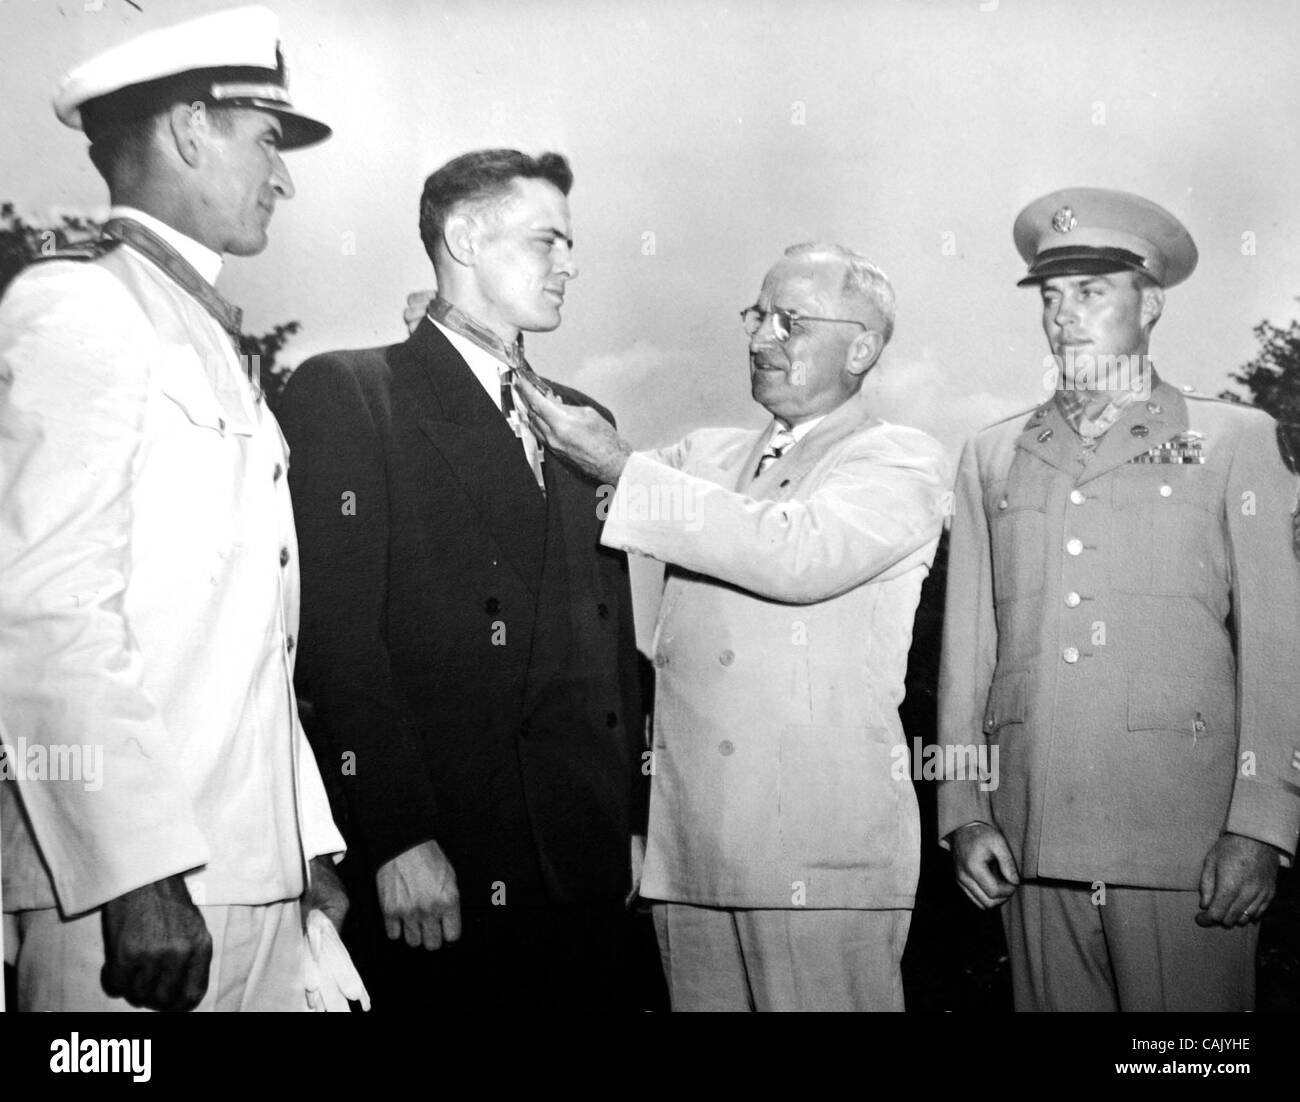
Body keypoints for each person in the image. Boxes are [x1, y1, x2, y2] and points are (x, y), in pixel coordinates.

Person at [0, 5, 346, 1013]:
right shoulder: (78, 307)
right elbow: (45, 608)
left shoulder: (194, 330)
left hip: (250, 881)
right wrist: (134, 872)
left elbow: (251, 642)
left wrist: (304, 840)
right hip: (129, 906)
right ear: (192, 131)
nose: (282, 176)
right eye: (268, 140)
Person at [518, 242, 949, 1011]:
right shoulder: (704, 457)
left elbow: (795, 553)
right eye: (756, 316)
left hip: (821, 862)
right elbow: (561, 481)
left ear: (863, 346)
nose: (759, 339)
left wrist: (623, 468)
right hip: (692, 853)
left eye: (790, 321)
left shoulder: (898, 462)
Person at [276, 149, 646, 1011]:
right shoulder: (355, 393)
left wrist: (629, 818)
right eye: (547, 240)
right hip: (448, 867)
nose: (571, 264)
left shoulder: (588, 422)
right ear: (465, 238)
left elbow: (607, 647)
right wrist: (397, 836)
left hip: (586, 867)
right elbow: (336, 647)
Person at [937, 187, 1300, 1011]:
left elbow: (1280, 651)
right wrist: (965, 810)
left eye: (1092, 292)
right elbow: (968, 658)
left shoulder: (1235, 441)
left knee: (1188, 1069)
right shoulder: (993, 456)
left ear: (1152, 302)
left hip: (1186, 843)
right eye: (1052, 296)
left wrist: (1262, 826)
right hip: (1029, 837)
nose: (1064, 316)